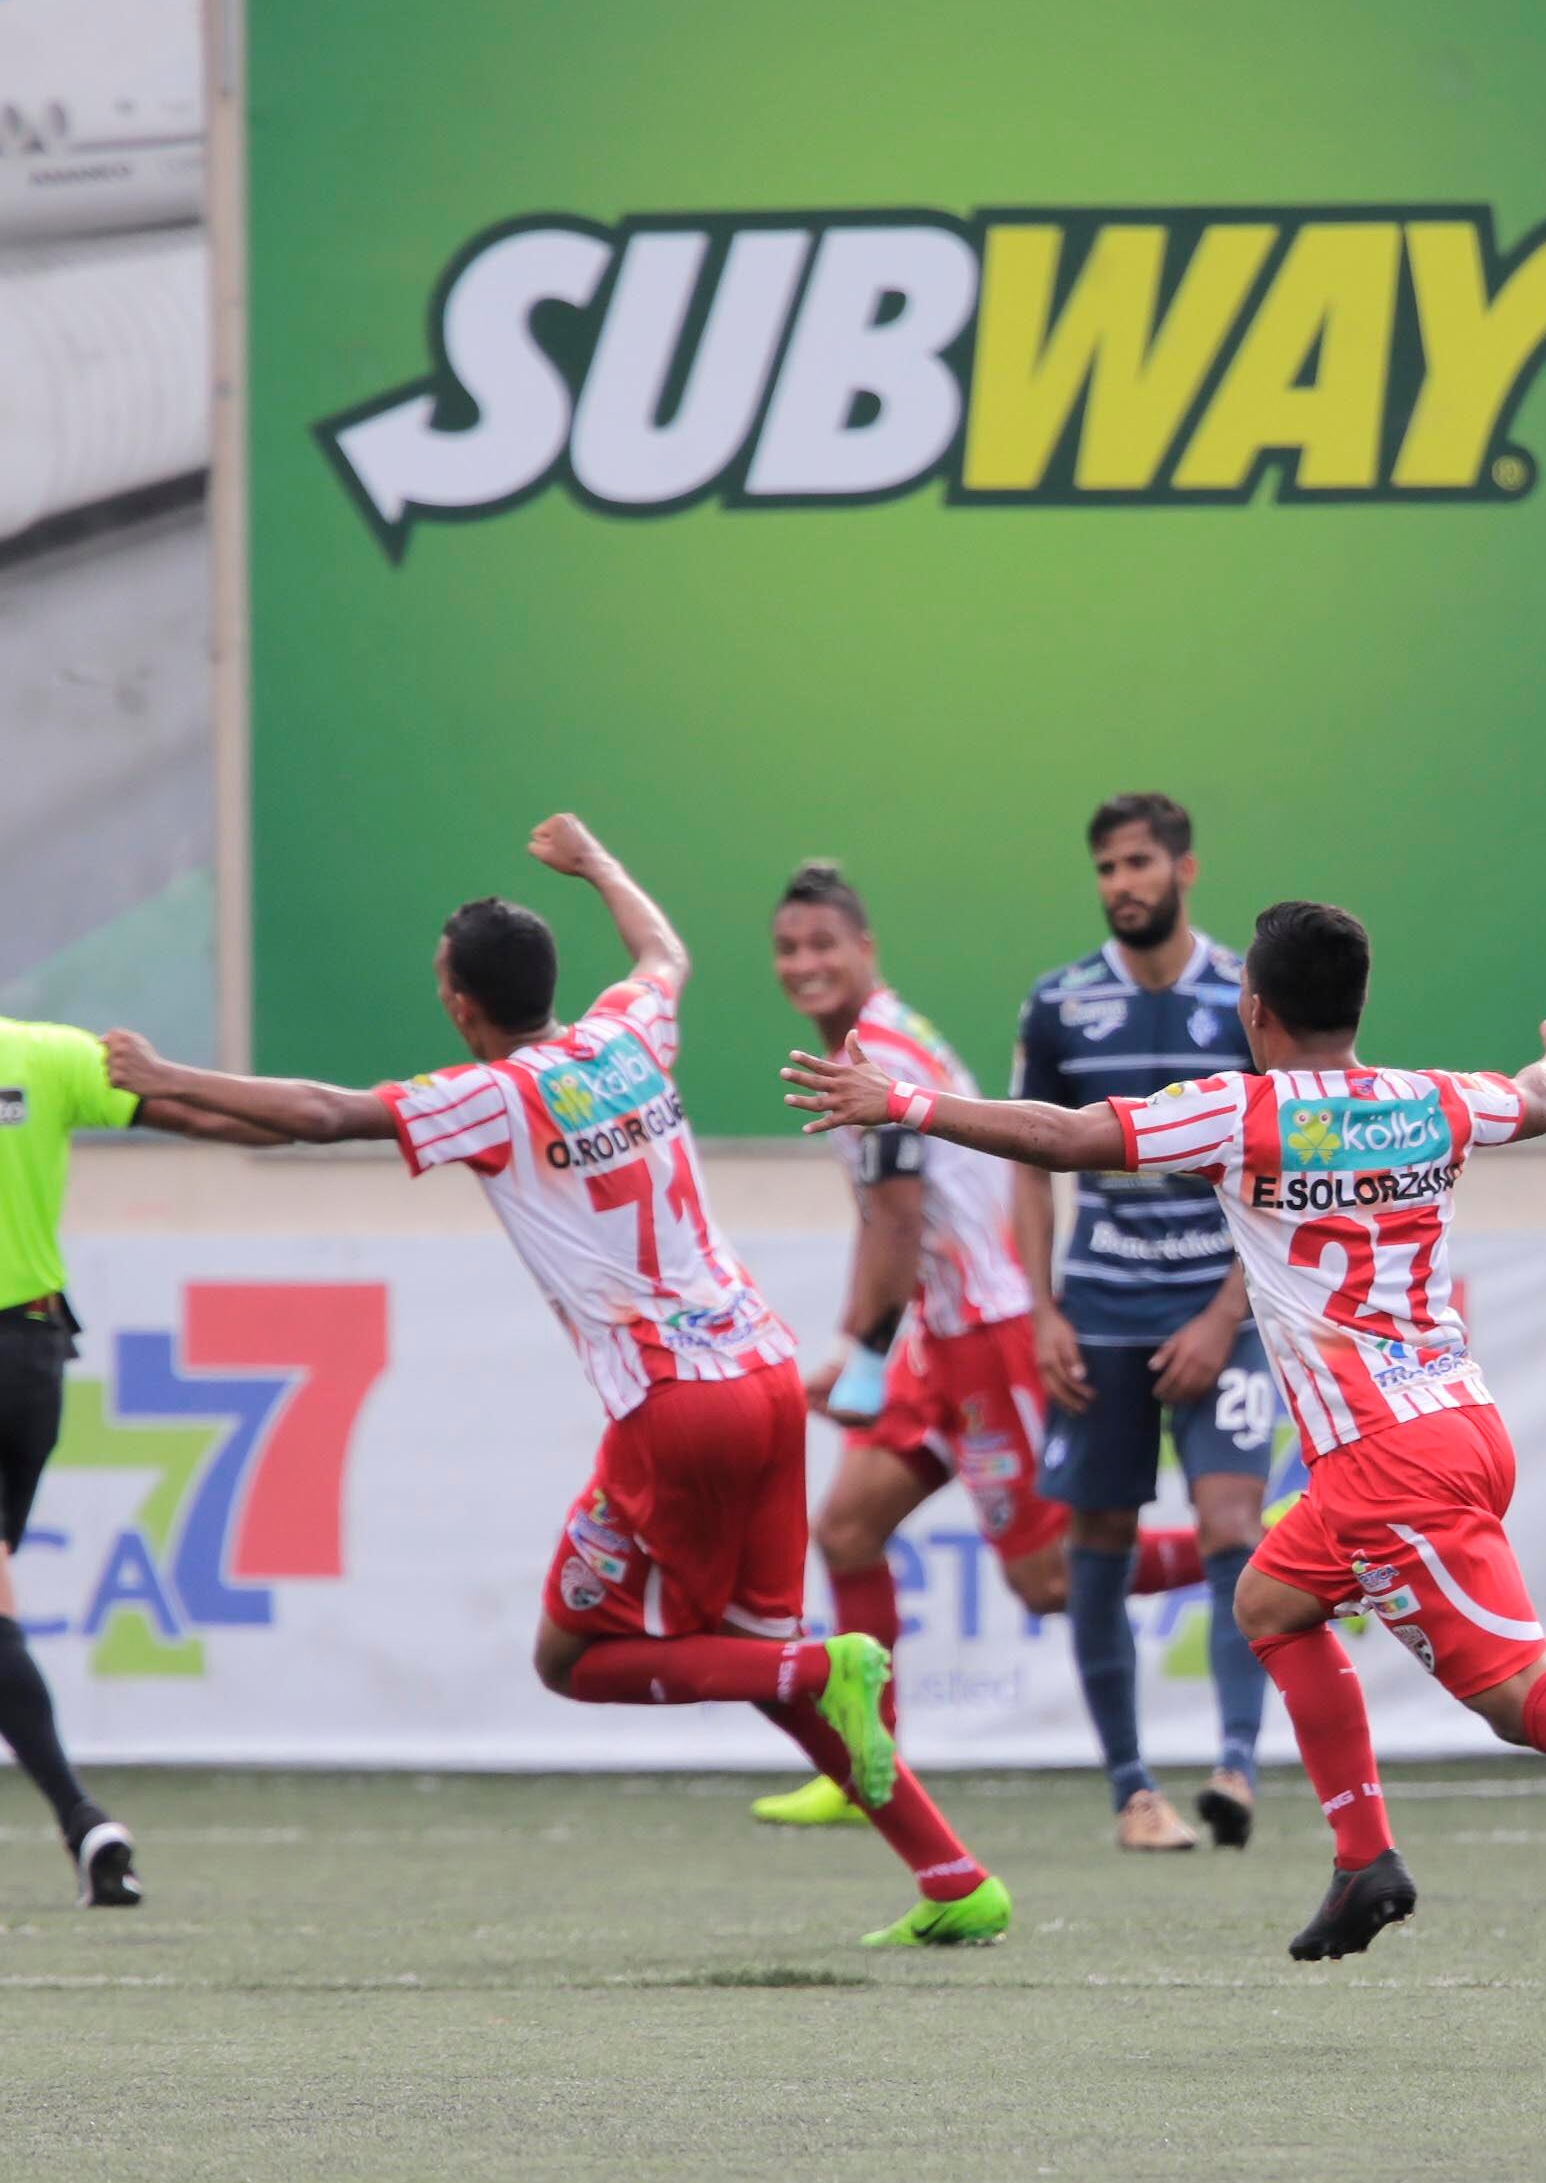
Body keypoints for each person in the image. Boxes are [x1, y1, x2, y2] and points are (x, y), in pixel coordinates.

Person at [786, 899, 1546, 1980]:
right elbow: (1541, 1099)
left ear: (1254, 1010)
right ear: (1358, 1003)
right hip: (1454, 1424)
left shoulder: (1240, 1114)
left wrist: (903, 1101)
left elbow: (1061, 1136)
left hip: (1387, 1462)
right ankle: (1363, 1860)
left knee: (1517, 1698)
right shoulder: (1432, 1099)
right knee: (1270, 1602)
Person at [105, 816, 1006, 1948]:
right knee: (760, 1659)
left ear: (460, 1005)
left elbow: (323, 1115)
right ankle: (953, 1877)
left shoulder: (499, 1094)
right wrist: (599, 865)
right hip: (764, 1372)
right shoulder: (626, 1034)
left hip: (674, 1409)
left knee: (574, 1657)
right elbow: (664, 952)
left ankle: (823, 1665)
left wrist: (164, 1075)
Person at [747, 860, 1209, 1828]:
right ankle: (867, 1770)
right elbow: (889, 1219)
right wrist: (872, 1346)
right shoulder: (875, 1037)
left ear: (865, 949)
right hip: (943, 1332)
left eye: (823, 944)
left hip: (990, 1335)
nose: (802, 964)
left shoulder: (874, 1054)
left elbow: (896, 1220)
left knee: (1049, 1579)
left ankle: (1261, 1548)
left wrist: (862, 1359)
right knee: (847, 1532)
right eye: (786, 949)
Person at [1010, 794, 1286, 1852]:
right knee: (1097, 1540)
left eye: (1138, 863)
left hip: (1223, 1306)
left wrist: (1224, 1313)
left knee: (1232, 1528)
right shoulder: (1058, 1003)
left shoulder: (1248, 998)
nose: (1121, 884)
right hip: (1099, 1310)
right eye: (1106, 868)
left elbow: (1284, 1166)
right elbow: (1030, 1162)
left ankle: (1236, 1767)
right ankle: (1132, 1790)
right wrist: (1042, 1309)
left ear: (1184, 869)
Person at [0, 1017, 274, 1906]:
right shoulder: (42, 1053)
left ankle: (82, 1817)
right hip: (30, 1359)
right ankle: (83, 1825)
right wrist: (318, 1124)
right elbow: (201, 1116)